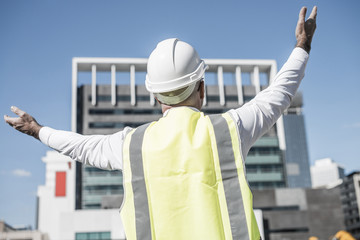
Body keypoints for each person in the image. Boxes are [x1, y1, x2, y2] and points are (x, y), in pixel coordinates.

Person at [4, 6, 317, 240]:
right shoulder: (228, 130)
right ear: (202, 89)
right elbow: (278, 95)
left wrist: (38, 130)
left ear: (155, 95)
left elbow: (82, 147)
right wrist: (302, 47)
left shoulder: (131, 144)